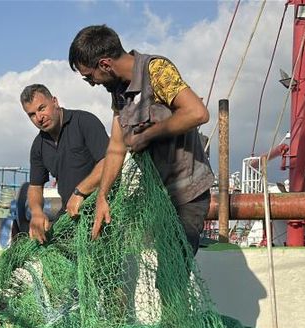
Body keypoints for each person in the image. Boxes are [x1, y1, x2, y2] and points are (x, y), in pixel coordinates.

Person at [68, 25, 215, 256]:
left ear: (105, 64)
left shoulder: (156, 70)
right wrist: (103, 196)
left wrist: (147, 135)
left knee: (172, 273)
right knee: (162, 270)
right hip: (158, 197)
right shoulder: (118, 90)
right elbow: (116, 147)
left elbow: (198, 113)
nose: (92, 83)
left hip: (188, 194)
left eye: (90, 77)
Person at [20, 84, 109, 243]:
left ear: (55, 101)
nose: (39, 117)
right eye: (32, 115)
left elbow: (108, 162)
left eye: (42, 108)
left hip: (104, 207)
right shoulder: (38, 146)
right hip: (71, 215)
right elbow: (35, 186)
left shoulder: (84, 121)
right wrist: (36, 212)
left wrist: (80, 192)